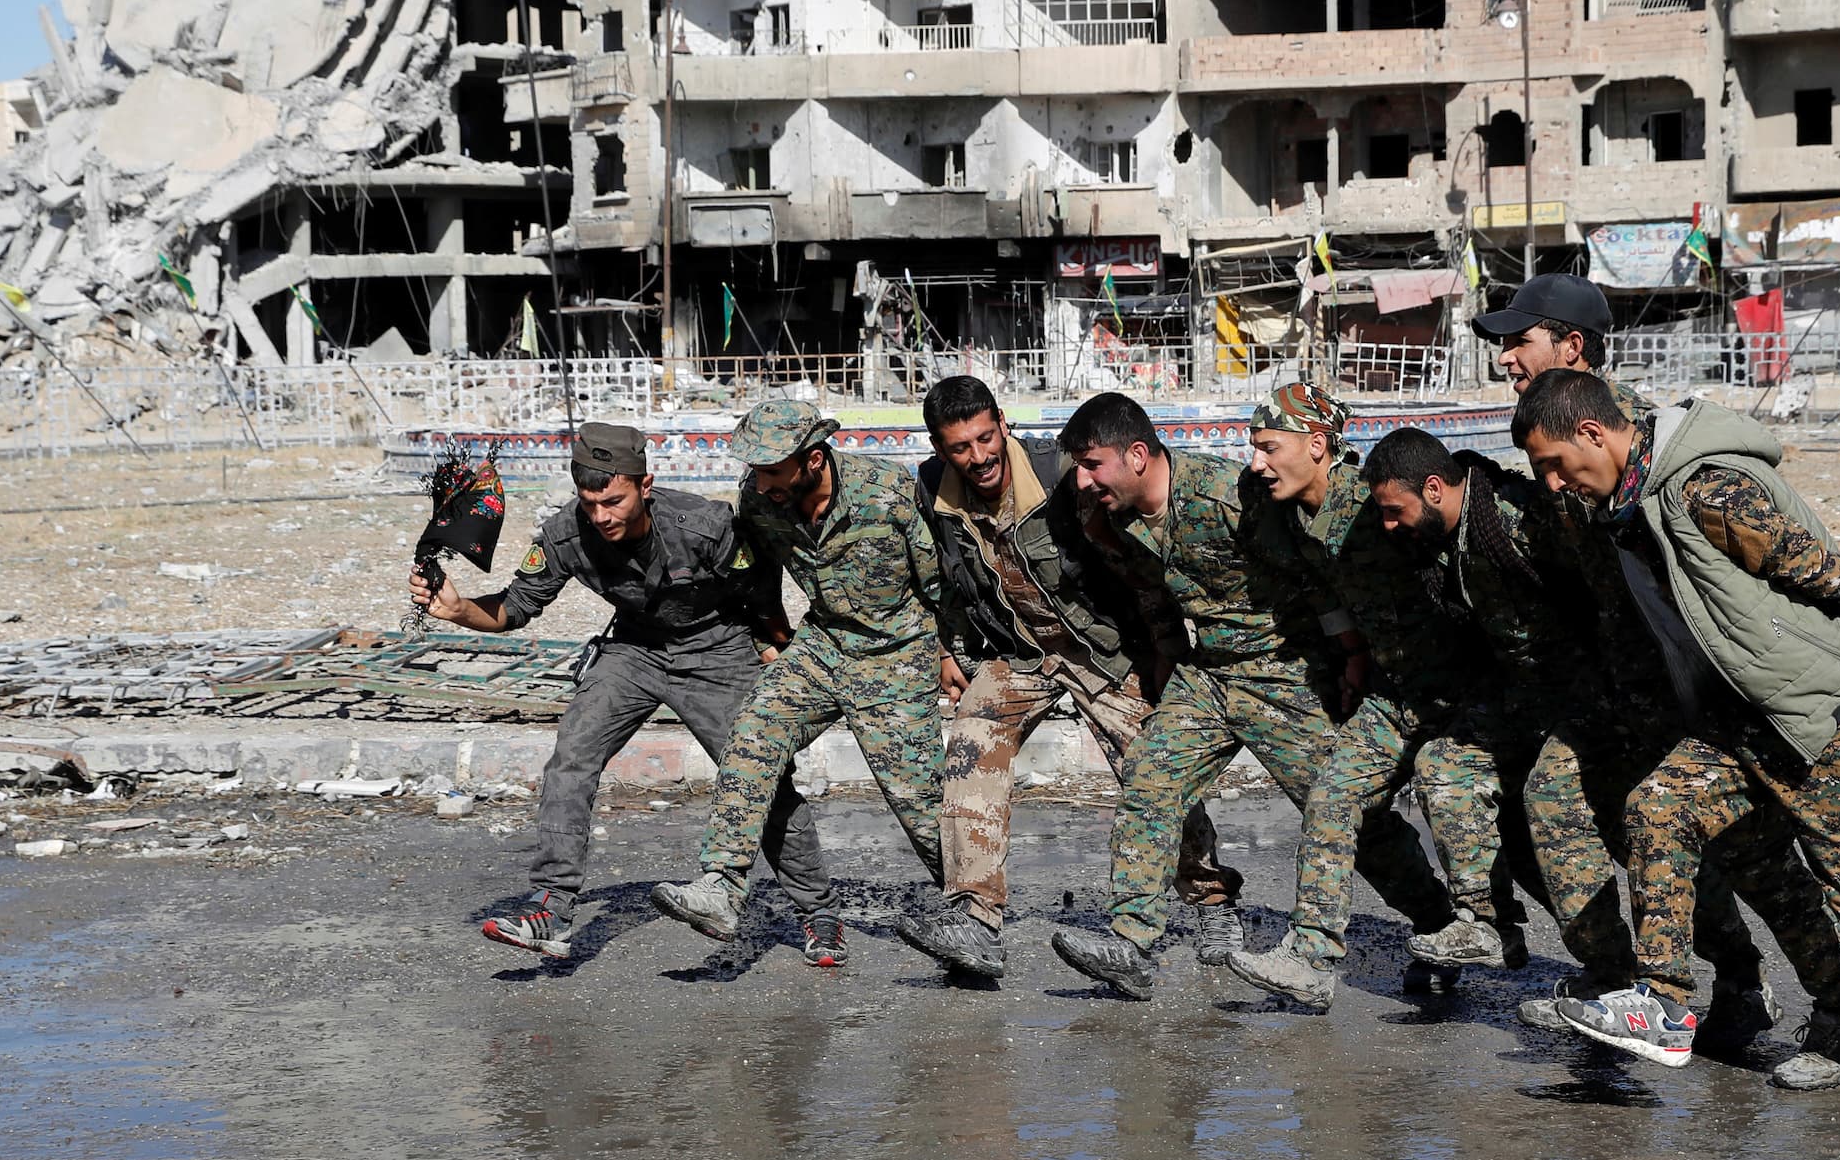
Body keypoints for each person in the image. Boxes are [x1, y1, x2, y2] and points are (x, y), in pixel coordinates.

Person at [1515, 369, 1840, 1123]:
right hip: (1746, 718)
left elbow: (1818, 566)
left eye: (1555, 463)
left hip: (1828, 716)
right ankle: (1663, 1004)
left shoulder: (1705, 487)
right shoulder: (1630, 501)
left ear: (1592, 433)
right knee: (1658, 806)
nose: (1554, 482)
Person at [1475, 273, 1818, 1058]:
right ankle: (1622, 979)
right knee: (1571, 806)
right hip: (1615, 686)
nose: (1503, 358)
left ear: (1571, 345)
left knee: (1750, 857)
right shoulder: (1550, 439)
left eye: (1518, 341)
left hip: (1691, 685)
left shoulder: (1629, 435)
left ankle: (1822, 1008)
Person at [1046, 392, 1458, 1000]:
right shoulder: (1115, 515)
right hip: (1207, 673)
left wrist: (1350, 656)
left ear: (1136, 456)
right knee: (1150, 775)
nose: (1083, 480)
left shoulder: (1227, 496)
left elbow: (1313, 572)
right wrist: (1167, 658)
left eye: (1092, 465)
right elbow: (1155, 593)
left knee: (1347, 816)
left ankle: (1437, 925)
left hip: (1281, 672)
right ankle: (1130, 941)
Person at [408, 420, 835, 962]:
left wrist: (770, 640)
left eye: (613, 502)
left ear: (644, 485)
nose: (601, 516)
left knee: (759, 775)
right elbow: (516, 607)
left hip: (718, 649)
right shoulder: (566, 535)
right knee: (572, 757)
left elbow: (759, 583)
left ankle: (819, 913)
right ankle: (551, 907)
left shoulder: (703, 525)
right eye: (590, 504)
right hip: (634, 650)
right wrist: (459, 609)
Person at [891, 376, 1242, 981]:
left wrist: (1164, 653)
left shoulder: (1063, 475)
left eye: (985, 438)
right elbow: (942, 578)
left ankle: (1211, 898)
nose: (978, 457)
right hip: (1019, 653)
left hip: (1103, 651)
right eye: (960, 448)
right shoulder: (932, 491)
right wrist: (947, 648)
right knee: (970, 745)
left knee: (1153, 771)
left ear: (1003, 423)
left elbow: (1141, 568)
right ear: (939, 448)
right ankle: (975, 919)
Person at [1219, 386, 1526, 1010]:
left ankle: (1506, 932)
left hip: (1462, 691)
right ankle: (1310, 957)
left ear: (1317, 445)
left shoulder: (1373, 502)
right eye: (1255, 450)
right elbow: (1329, 589)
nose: (1257, 463)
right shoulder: (1296, 515)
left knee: (1500, 821)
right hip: (1393, 694)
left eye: (1269, 447)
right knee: (1331, 796)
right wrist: (1356, 656)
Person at [650, 400, 948, 965]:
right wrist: (770, 631)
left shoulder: (887, 492)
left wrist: (950, 652)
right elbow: (757, 571)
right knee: (752, 732)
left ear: (812, 460)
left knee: (920, 803)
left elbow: (939, 581)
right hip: (824, 642)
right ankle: (721, 887)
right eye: (756, 471)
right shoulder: (760, 500)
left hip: (897, 654)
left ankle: (972, 911)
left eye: (770, 470)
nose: (760, 483)